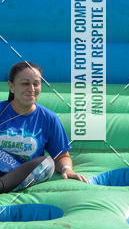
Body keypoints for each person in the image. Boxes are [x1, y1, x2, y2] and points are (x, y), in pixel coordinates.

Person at [0, 61, 87, 192]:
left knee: (47, 163)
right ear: (11, 87)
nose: (31, 88)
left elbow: (61, 156)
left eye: (36, 83)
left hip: (21, 177)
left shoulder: (48, 118)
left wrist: (67, 169)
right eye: (25, 83)